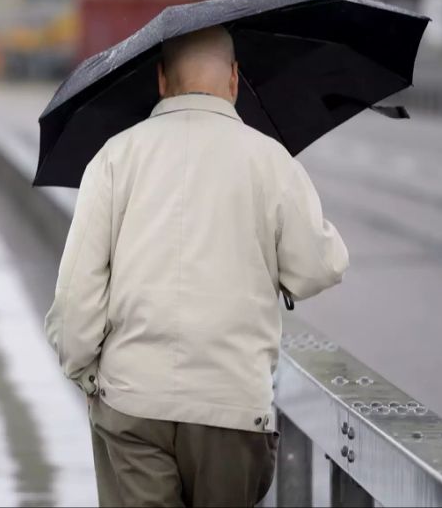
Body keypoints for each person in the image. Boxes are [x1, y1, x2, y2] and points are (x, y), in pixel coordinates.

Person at [45, 26, 348, 507]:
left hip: (132, 400)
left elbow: (76, 292)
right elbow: (319, 267)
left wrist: (85, 373)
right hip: (230, 406)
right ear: (233, 79)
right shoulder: (270, 160)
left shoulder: (114, 157)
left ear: (162, 79)